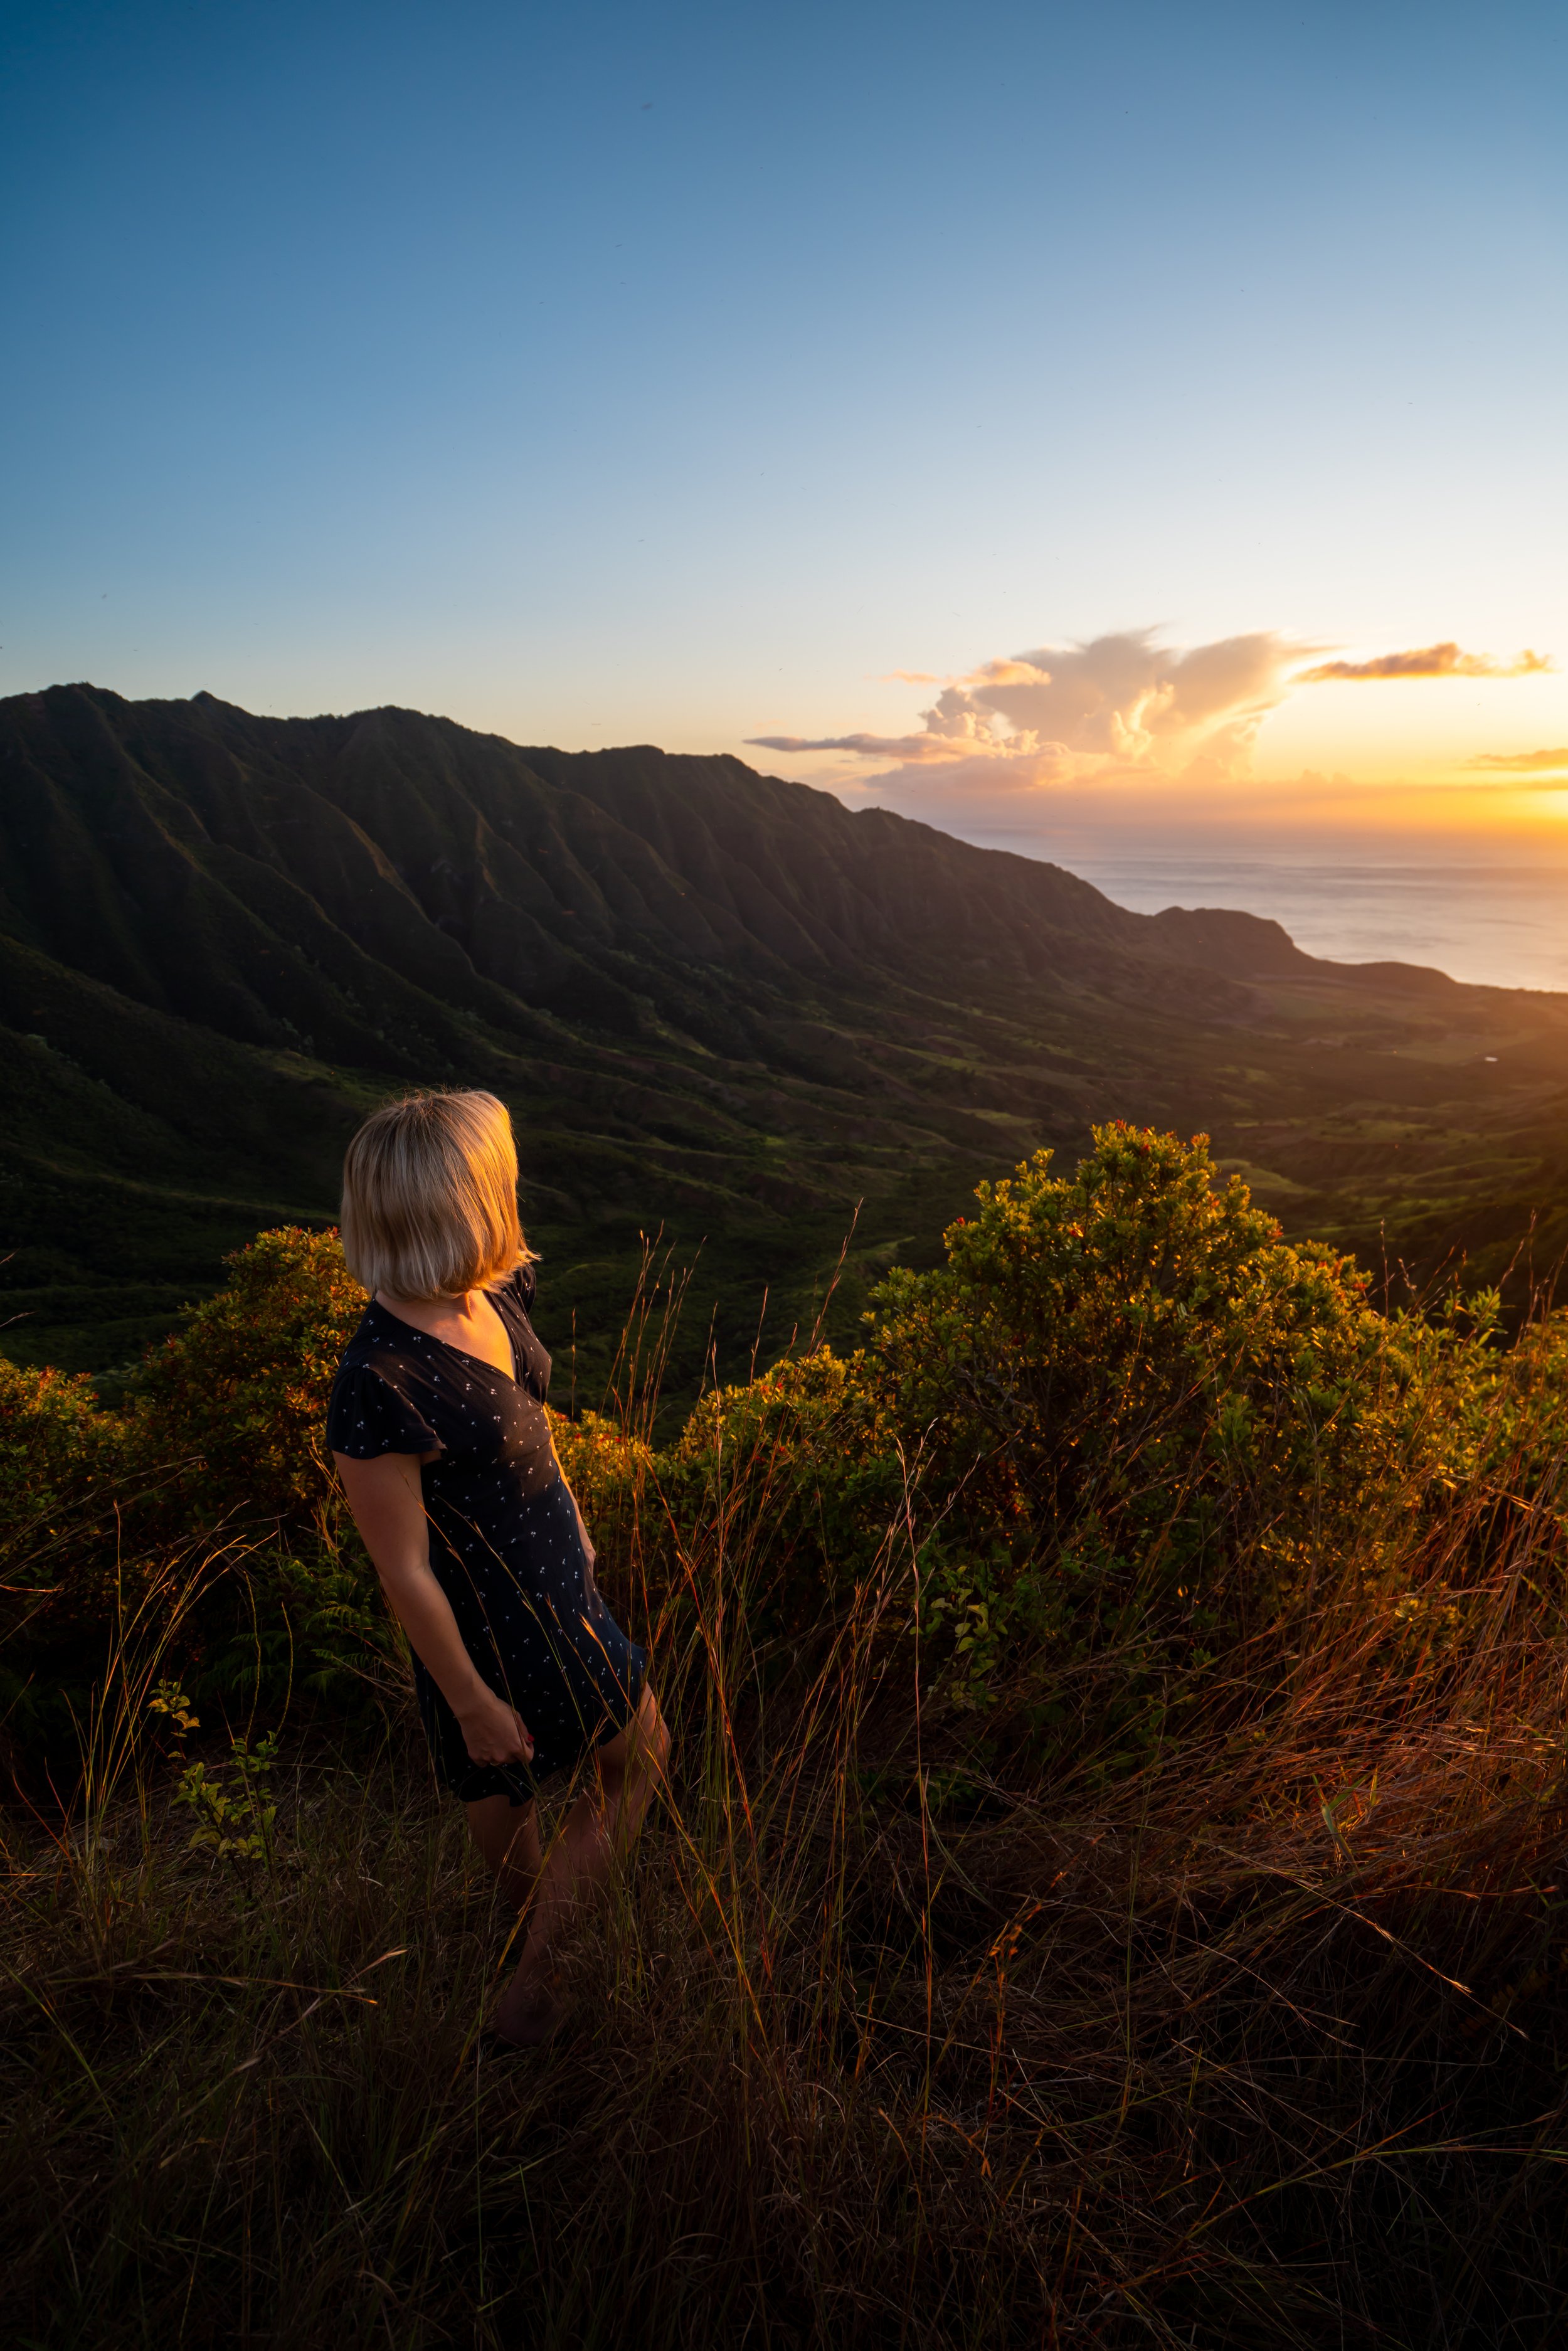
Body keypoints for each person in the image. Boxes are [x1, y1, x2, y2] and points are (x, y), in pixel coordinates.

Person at [327, 1089, 669, 2046]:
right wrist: (474, 1699)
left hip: (556, 1594)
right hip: (497, 1633)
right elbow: (404, 1572)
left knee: (512, 1795)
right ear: (461, 1205)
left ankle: (528, 1953)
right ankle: (540, 1976)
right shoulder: (378, 1383)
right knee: (638, 1763)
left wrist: (575, 1515)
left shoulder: (492, 1294)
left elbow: (532, 1410)